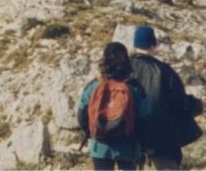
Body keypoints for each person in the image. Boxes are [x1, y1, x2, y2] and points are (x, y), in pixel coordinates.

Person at [130, 25, 203, 169]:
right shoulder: (164, 70)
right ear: (154, 44)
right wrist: (198, 106)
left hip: (130, 135)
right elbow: (179, 102)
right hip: (161, 138)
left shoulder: (125, 67)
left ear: (135, 43)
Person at [78, 41, 148, 170]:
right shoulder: (134, 88)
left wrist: (91, 132)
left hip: (99, 146)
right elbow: (144, 118)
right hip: (128, 146)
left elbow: (82, 115)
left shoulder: (94, 86)